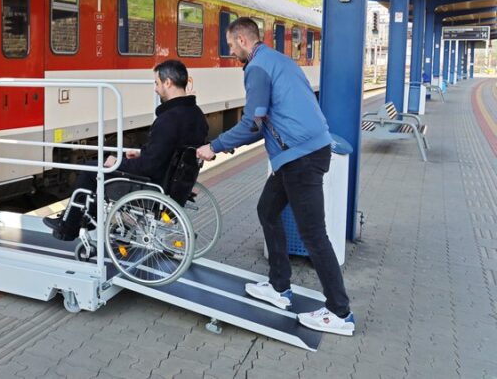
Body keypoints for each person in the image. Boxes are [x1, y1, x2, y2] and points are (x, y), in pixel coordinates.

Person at [196, 17, 355, 336]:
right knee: (267, 210)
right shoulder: (278, 61)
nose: (231, 51)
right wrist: (227, 145)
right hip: (298, 154)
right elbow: (265, 122)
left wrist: (214, 146)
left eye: (231, 45)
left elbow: (251, 124)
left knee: (314, 234)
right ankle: (279, 286)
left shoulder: (257, 68)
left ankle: (340, 312)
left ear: (243, 40)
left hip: (301, 158)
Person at [44, 59, 208, 240]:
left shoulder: (168, 119)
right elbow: (169, 152)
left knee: (91, 169)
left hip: (153, 185)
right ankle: (87, 219)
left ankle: (68, 228)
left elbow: (148, 166)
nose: (155, 88)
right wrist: (140, 153)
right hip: (173, 184)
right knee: (100, 167)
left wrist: (118, 162)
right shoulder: (197, 115)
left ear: (168, 82)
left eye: (157, 83)